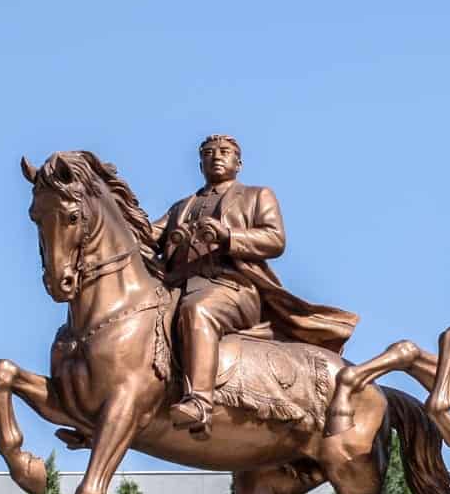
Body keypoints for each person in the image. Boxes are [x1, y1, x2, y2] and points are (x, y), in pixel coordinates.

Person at [152, 134, 358, 435]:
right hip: (178, 288)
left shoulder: (256, 196)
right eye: (208, 152)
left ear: (239, 162)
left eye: (225, 152)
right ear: (200, 162)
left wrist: (228, 237)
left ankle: (200, 401)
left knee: (198, 311)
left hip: (232, 288)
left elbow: (275, 239)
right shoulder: (181, 207)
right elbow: (147, 236)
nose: (216, 156)